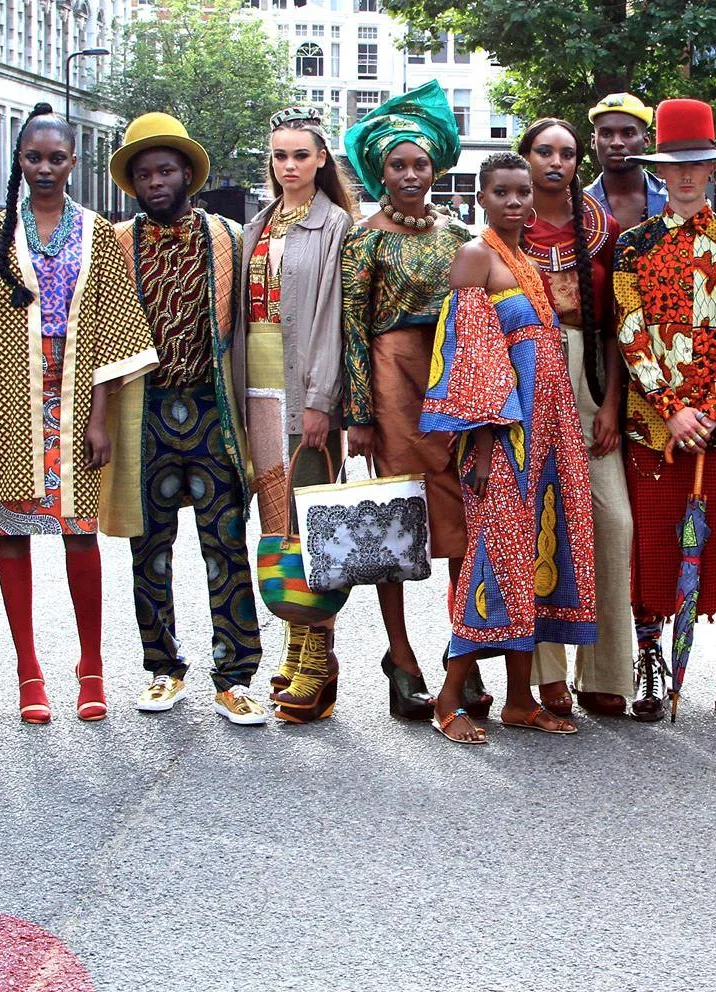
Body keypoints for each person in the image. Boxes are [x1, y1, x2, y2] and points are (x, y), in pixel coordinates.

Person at [0, 107, 157, 725]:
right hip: (5, 395)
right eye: (33, 157)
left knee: (79, 534)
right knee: (12, 533)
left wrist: (100, 419)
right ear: (20, 161)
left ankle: (91, 668)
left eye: (56, 158)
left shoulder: (97, 234)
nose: (44, 168)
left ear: (72, 163)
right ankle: (28, 673)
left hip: (78, 395)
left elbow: (116, 328)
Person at [421, 151, 599, 743]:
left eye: (522, 191)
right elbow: (470, 356)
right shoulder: (476, 255)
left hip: (548, 434)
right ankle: (449, 698)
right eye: (502, 192)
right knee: (494, 559)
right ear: (482, 198)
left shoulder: (525, 259)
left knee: (533, 561)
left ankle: (520, 700)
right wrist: (478, 444)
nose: (515, 201)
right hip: (502, 439)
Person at [98, 113, 262, 724]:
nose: (155, 182)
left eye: (165, 170)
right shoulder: (115, 243)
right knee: (149, 550)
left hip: (212, 408)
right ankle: (163, 668)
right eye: (144, 174)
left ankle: (235, 677)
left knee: (226, 544)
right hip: (144, 414)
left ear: (188, 174)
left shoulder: (228, 238)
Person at [614, 98, 716, 723]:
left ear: (712, 169)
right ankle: (651, 663)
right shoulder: (632, 246)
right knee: (652, 545)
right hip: (654, 428)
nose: (684, 175)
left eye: (695, 163)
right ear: (658, 170)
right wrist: (673, 410)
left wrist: (709, 410)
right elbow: (630, 332)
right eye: (673, 164)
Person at [340, 82, 472, 722]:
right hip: (393, 381)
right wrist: (360, 415)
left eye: (420, 163)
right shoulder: (364, 238)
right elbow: (351, 329)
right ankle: (401, 657)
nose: (411, 175)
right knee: (396, 522)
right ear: (381, 173)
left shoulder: (460, 235)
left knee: (465, 520)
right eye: (398, 165)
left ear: (435, 168)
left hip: (454, 382)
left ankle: (463, 653)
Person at [519, 116, 636, 718]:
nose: (556, 162)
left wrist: (612, 404)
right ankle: (546, 674)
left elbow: (618, 325)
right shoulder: (507, 225)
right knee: (537, 523)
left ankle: (607, 670)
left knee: (614, 523)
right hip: (525, 379)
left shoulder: (601, 225)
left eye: (566, 153)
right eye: (544, 151)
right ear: (526, 157)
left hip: (591, 376)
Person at [242, 107, 354, 723]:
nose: (289, 166)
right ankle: (293, 647)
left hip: (306, 391)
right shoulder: (257, 224)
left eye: (301, 155)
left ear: (321, 160)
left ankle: (319, 662)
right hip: (258, 390)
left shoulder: (335, 224)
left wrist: (320, 400)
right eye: (280, 155)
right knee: (279, 527)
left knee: (315, 530)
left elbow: (333, 319)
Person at [584, 92, 669, 230]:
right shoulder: (579, 206)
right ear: (594, 141)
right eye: (606, 134)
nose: (616, 142)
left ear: (646, 140)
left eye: (628, 133)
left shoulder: (672, 198)